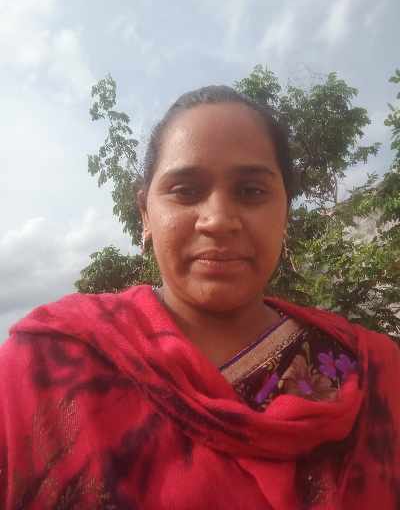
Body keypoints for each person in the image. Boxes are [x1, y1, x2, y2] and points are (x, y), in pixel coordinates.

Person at [0, 86, 399, 510]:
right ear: (145, 213)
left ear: (285, 209)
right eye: (185, 191)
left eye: (251, 191)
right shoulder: (41, 367)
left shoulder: (374, 372)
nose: (219, 220)